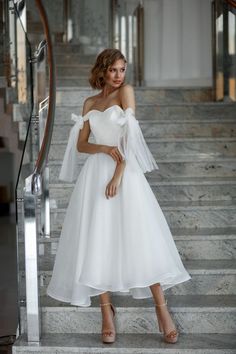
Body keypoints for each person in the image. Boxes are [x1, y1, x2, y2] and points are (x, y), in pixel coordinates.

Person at [47, 48, 191, 345]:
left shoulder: (125, 92)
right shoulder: (90, 102)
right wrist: (103, 150)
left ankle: (162, 312)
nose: (118, 75)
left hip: (124, 174)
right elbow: (82, 145)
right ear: (102, 70)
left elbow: (130, 138)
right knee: (97, 240)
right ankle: (106, 313)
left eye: (122, 69)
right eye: (113, 70)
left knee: (141, 239)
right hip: (95, 175)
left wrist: (118, 173)